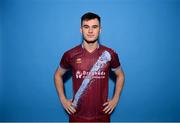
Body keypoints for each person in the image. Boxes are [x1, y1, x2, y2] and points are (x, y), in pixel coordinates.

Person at [54, 12, 125, 122]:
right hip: (77, 116)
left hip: (102, 116)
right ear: (81, 30)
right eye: (86, 27)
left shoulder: (110, 54)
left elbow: (120, 75)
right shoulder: (70, 54)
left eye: (94, 27)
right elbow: (58, 75)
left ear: (100, 30)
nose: (90, 31)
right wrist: (63, 99)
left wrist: (115, 99)